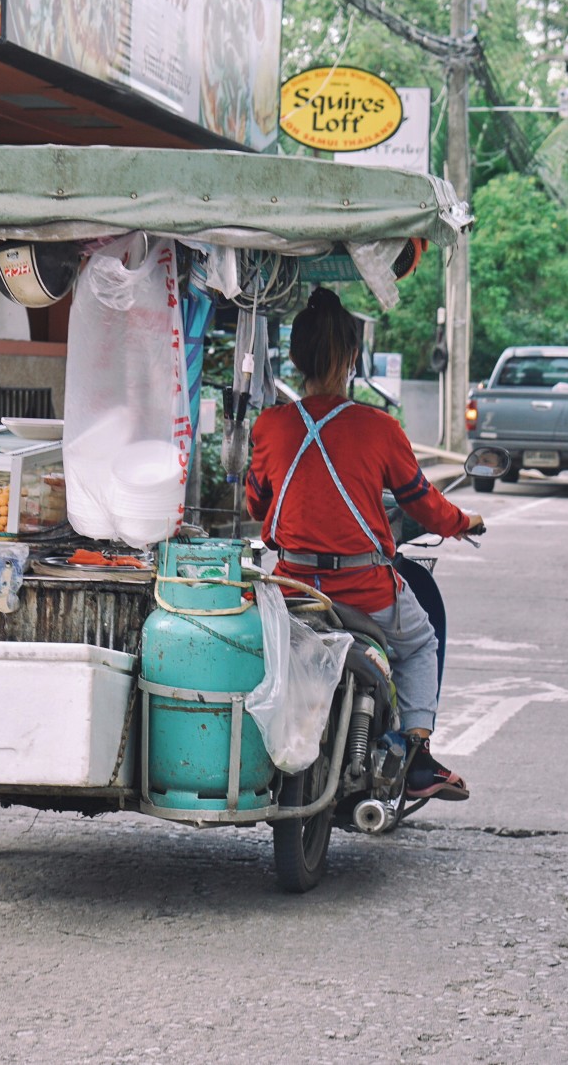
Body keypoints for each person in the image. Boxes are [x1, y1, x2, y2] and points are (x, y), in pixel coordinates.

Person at [245, 289, 485, 802]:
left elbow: (255, 505)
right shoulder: (379, 428)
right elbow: (421, 502)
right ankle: (417, 755)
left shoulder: (270, 426)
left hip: (292, 590)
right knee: (419, 644)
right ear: (353, 358)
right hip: (364, 590)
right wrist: (463, 521)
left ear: (295, 358)